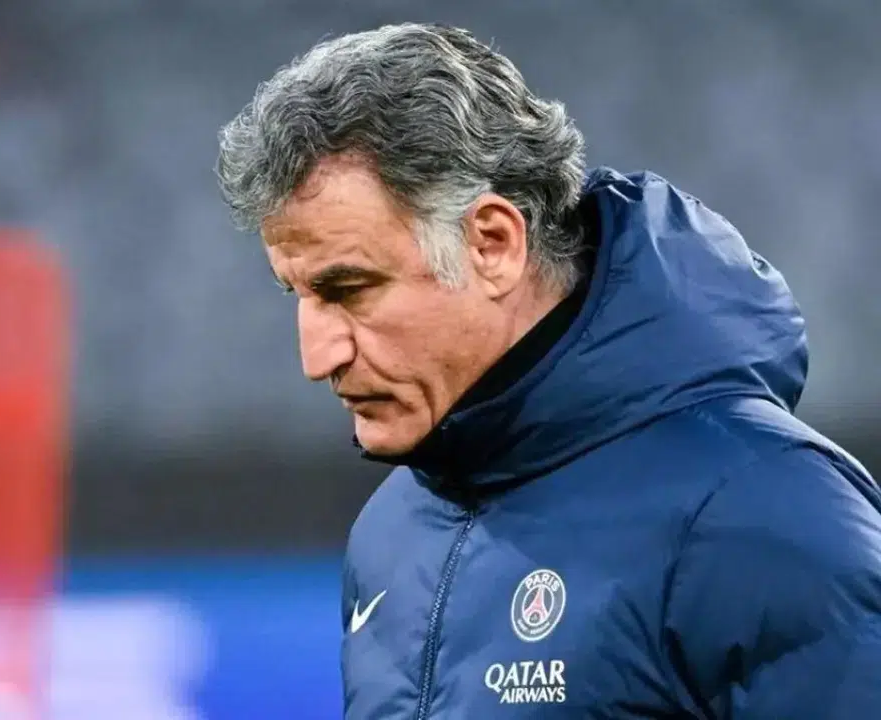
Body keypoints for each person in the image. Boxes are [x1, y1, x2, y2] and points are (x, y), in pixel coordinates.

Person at [215, 22, 881, 719]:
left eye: (349, 289)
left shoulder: (762, 510)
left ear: (493, 244)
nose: (317, 357)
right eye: (298, 295)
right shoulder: (393, 532)